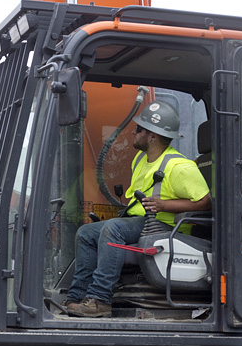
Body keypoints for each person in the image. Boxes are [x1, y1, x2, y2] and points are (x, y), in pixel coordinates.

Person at [66, 101, 212, 318]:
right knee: (86, 233)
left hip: (167, 226)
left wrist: (165, 205)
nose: (133, 131)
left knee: (114, 229)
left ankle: (100, 300)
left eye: (139, 129)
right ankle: (77, 297)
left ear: (152, 136)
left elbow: (205, 202)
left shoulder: (181, 167)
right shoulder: (140, 160)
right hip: (142, 222)